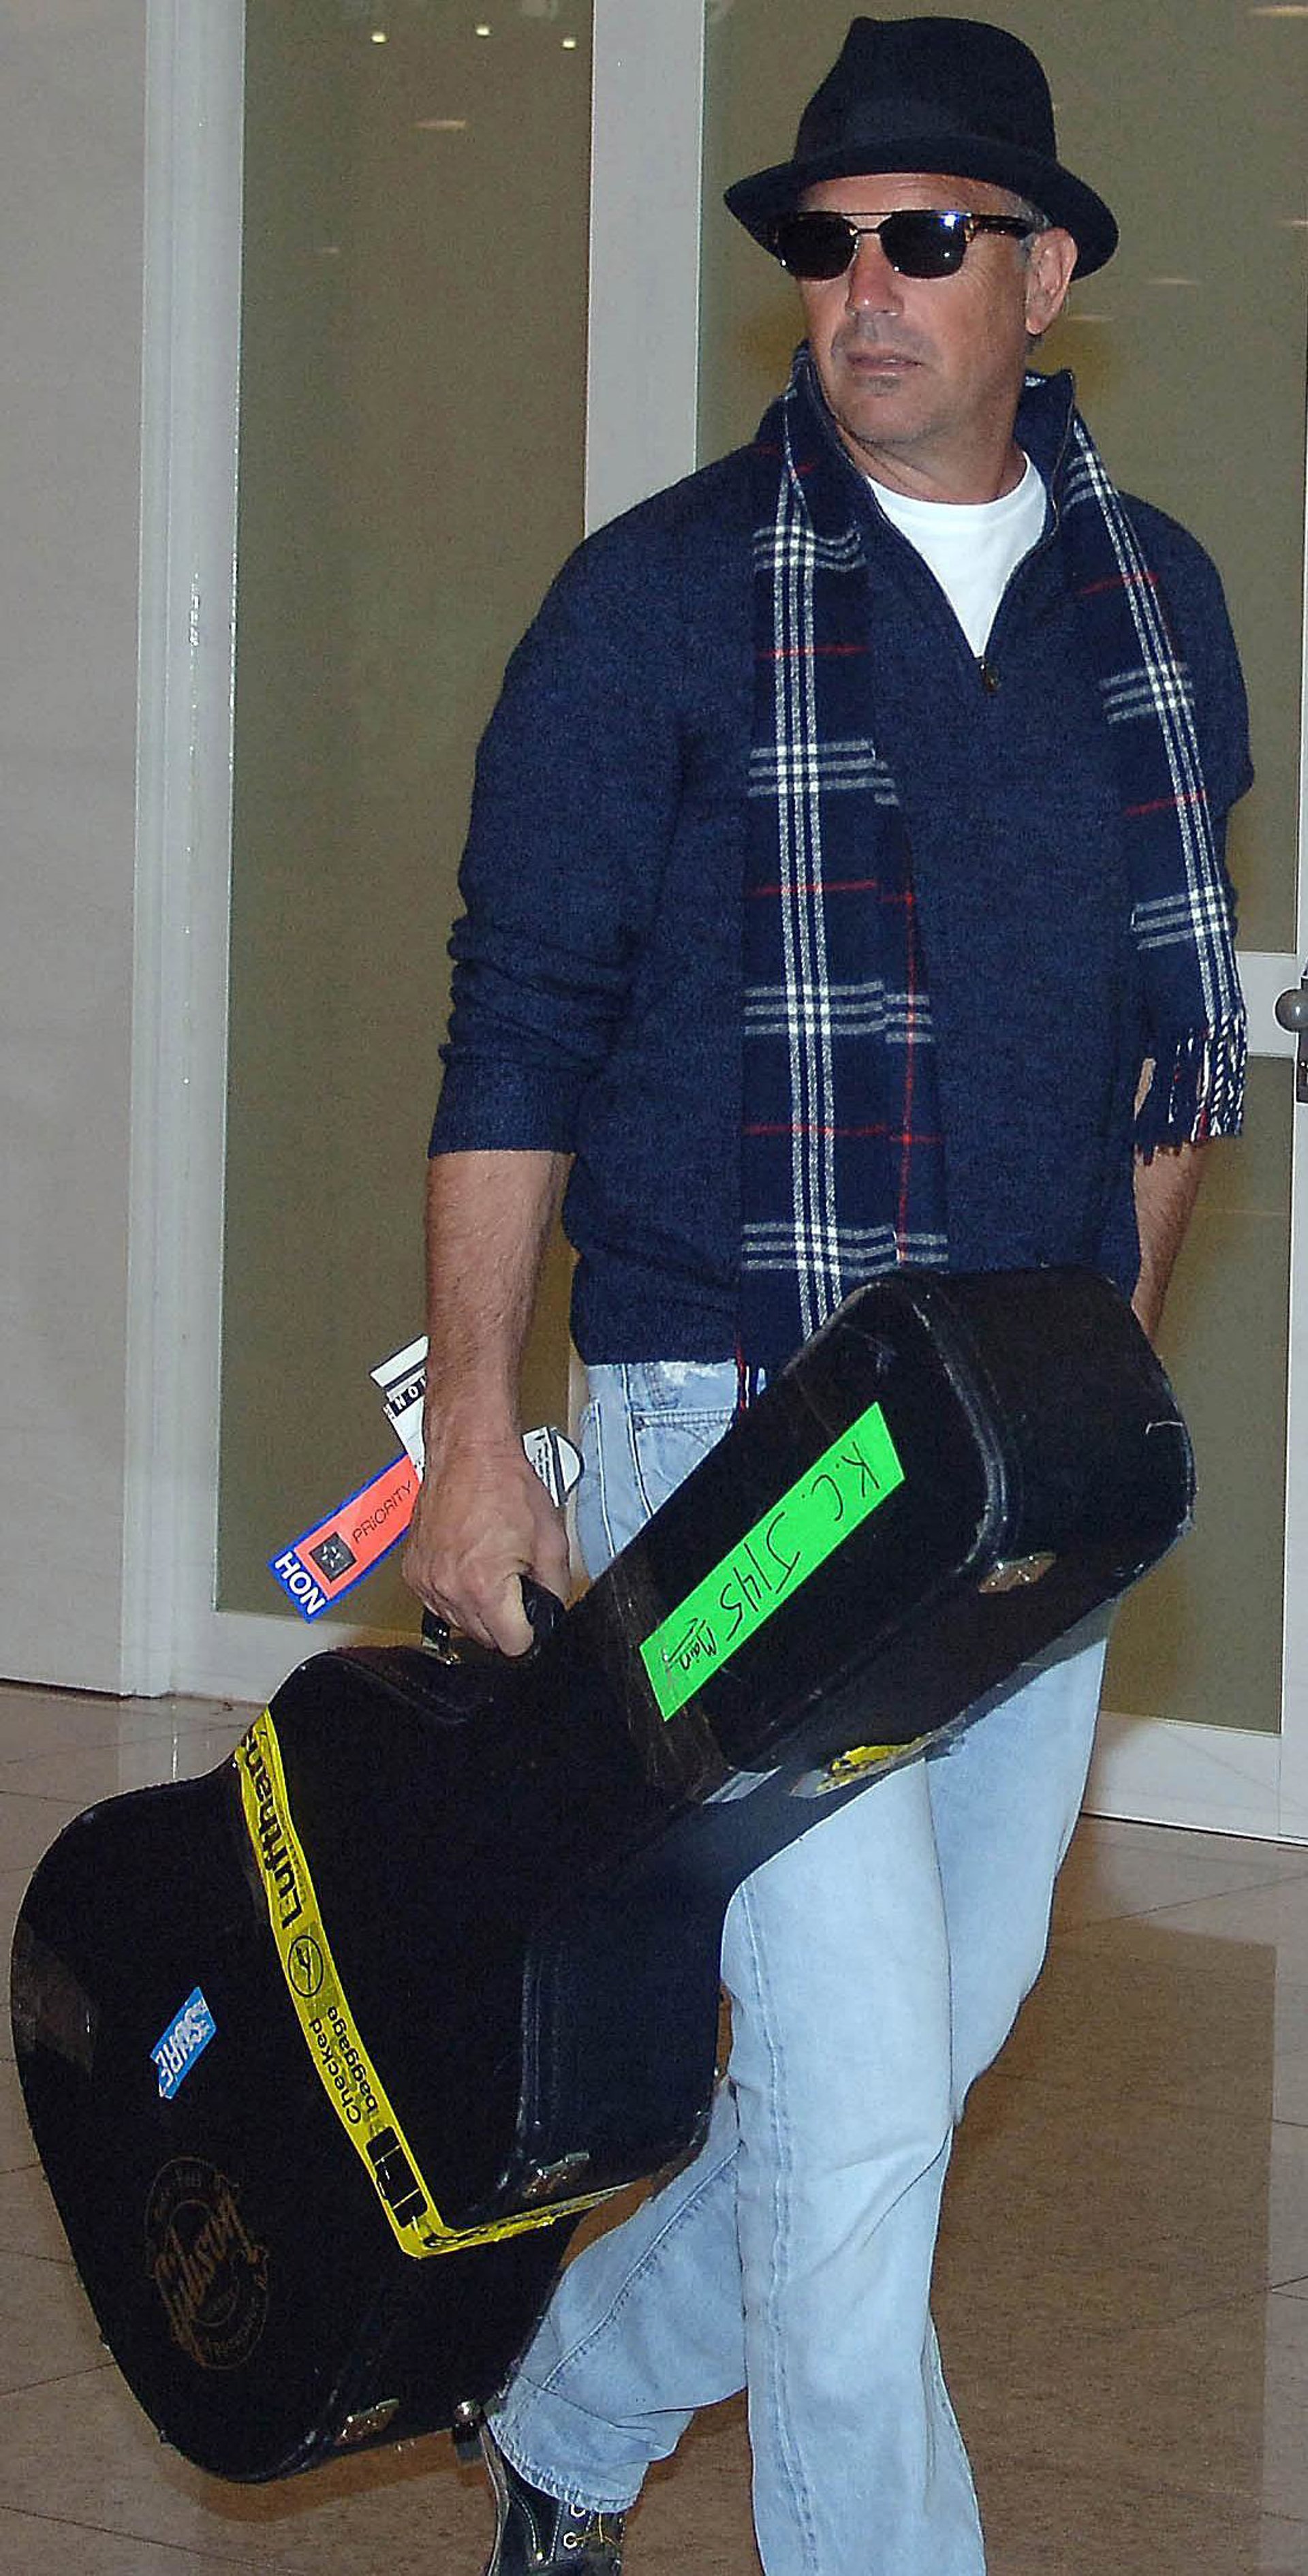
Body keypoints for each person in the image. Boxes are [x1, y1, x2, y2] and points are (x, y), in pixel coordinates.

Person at [403, 16, 1250, 2573]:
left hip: (1011, 1465)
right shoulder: (658, 605)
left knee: (883, 2094)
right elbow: (516, 1032)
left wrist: (1101, 1382)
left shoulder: (1160, 609)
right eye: (826, 242)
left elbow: (1177, 1056)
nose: (865, 288)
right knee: (863, 2125)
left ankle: (566, 2426)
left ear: (1044, 277)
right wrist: (476, 1433)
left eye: (927, 240)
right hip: (737, 1444)